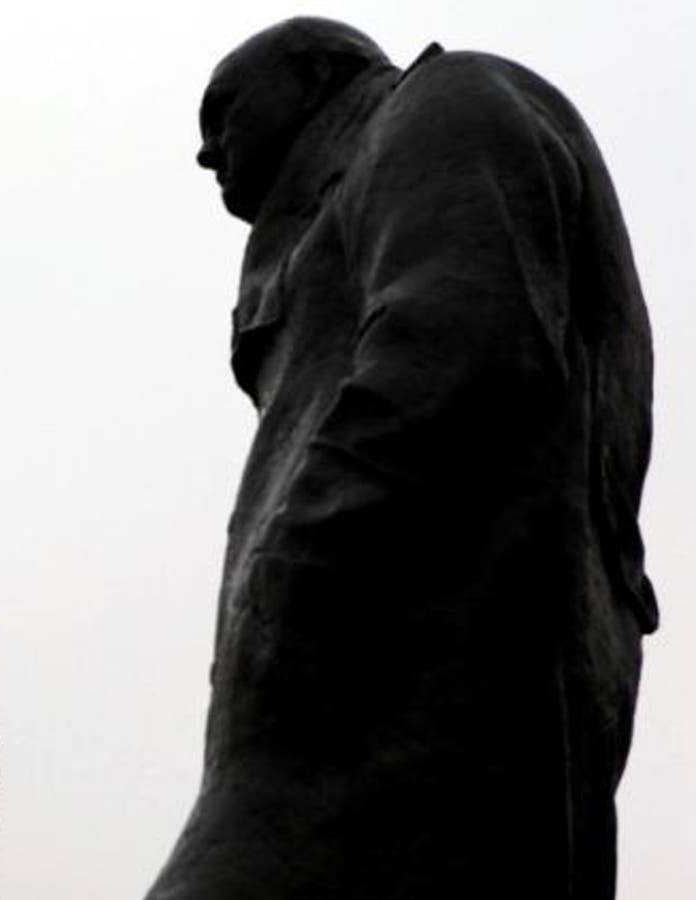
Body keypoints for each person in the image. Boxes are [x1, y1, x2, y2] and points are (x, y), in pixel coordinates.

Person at [146, 17, 655, 900]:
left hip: (386, 686)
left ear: (313, 74)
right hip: (375, 696)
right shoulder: (353, 186)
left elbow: (462, 353)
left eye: (223, 112)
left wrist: (294, 570)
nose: (205, 153)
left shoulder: (442, 108)